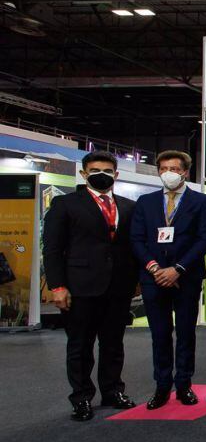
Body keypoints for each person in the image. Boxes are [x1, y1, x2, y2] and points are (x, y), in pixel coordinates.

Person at [43, 151, 139, 421]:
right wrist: (58, 285)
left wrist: (136, 282)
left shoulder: (128, 206)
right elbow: (52, 249)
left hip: (118, 287)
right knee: (80, 345)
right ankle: (81, 397)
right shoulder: (65, 204)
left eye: (108, 170)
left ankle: (112, 391)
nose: (102, 174)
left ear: (116, 175)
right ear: (84, 174)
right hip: (80, 287)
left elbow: (132, 247)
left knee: (113, 344)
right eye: (95, 169)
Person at [130, 150, 206, 409]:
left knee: (187, 333)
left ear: (185, 172)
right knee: (160, 334)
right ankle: (162, 385)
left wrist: (178, 268)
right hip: (153, 277)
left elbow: (204, 239)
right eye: (164, 167)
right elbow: (137, 239)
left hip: (186, 277)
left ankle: (184, 384)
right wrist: (156, 269)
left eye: (175, 168)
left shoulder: (201, 201)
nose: (169, 172)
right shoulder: (145, 202)